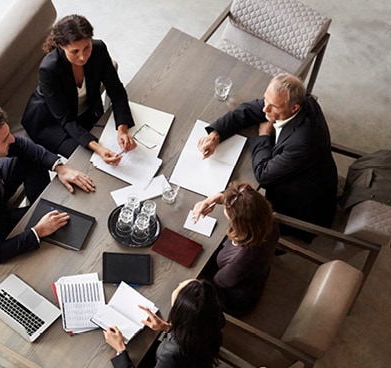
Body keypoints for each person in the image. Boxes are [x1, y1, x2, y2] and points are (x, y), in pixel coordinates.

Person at [0, 103, 96, 271]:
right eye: (5, 139)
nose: (12, 139)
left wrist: (60, 168)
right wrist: (38, 231)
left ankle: (42, 208)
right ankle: (43, 220)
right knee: (55, 226)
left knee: (32, 159)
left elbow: (21, 145)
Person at [197, 74, 337, 240]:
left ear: (294, 108)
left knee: (238, 219)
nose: (265, 110)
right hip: (304, 172)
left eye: (274, 107)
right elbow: (248, 110)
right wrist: (216, 135)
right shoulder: (295, 100)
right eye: (265, 100)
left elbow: (263, 175)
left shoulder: (302, 143)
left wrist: (263, 136)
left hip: (301, 206)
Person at [22, 14, 136, 166]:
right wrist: (98, 148)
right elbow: (65, 119)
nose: (82, 57)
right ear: (62, 46)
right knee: (88, 161)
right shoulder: (49, 69)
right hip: (50, 121)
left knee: (119, 147)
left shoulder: (99, 50)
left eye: (87, 47)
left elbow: (116, 90)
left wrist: (122, 129)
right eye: (75, 52)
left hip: (83, 112)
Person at [192, 182, 279, 317]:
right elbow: (247, 204)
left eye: (229, 217)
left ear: (240, 225)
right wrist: (218, 198)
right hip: (254, 273)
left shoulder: (241, 260)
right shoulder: (269, 220)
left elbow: (218, 282)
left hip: (233, 298)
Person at [103, 279, 225, 368]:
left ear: (178, 311)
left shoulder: (169, 354)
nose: (177, 286)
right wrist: (167, 327)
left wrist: (120, 349)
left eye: (178, 287)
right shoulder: (214, 319)